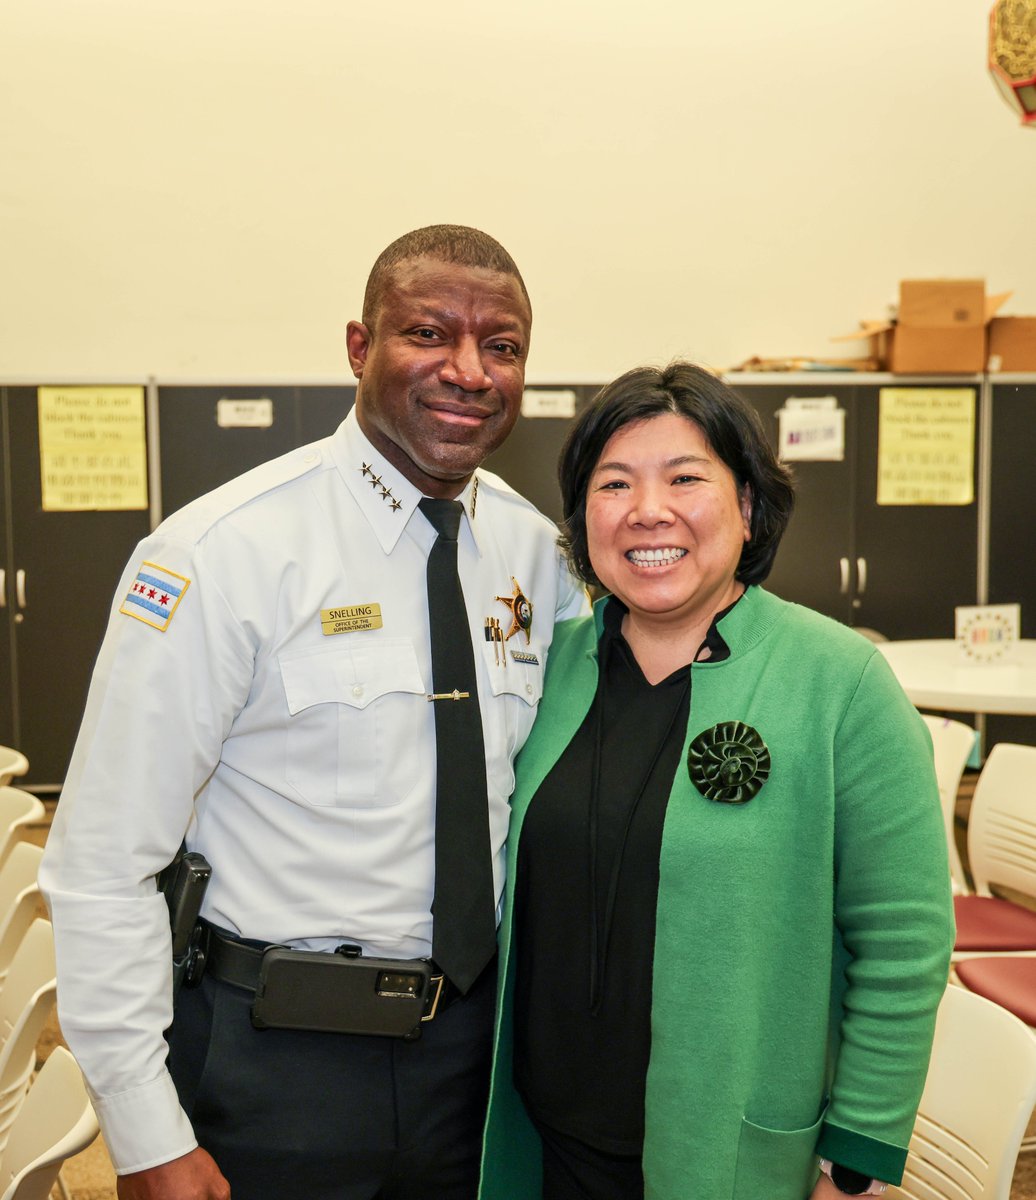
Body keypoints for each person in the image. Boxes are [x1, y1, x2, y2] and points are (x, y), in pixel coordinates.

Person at [39, 224, 589, 1200]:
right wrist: (141, 1130)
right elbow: (99, 865)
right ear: (357, 346)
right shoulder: (222, 553)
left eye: (499, 346)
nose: (467, 370)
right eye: (428, 333)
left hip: (482, 1065)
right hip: (277, 1062)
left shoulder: (535, 553)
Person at [478, 362, 955, 1200]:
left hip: (727, 1154)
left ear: (747, 505)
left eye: (685, 478)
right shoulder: (550, 671)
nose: (646, 510)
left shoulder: (837, 681)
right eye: (613, 483)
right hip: (543, 1141)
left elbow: (904, 943)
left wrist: (859, 1162)